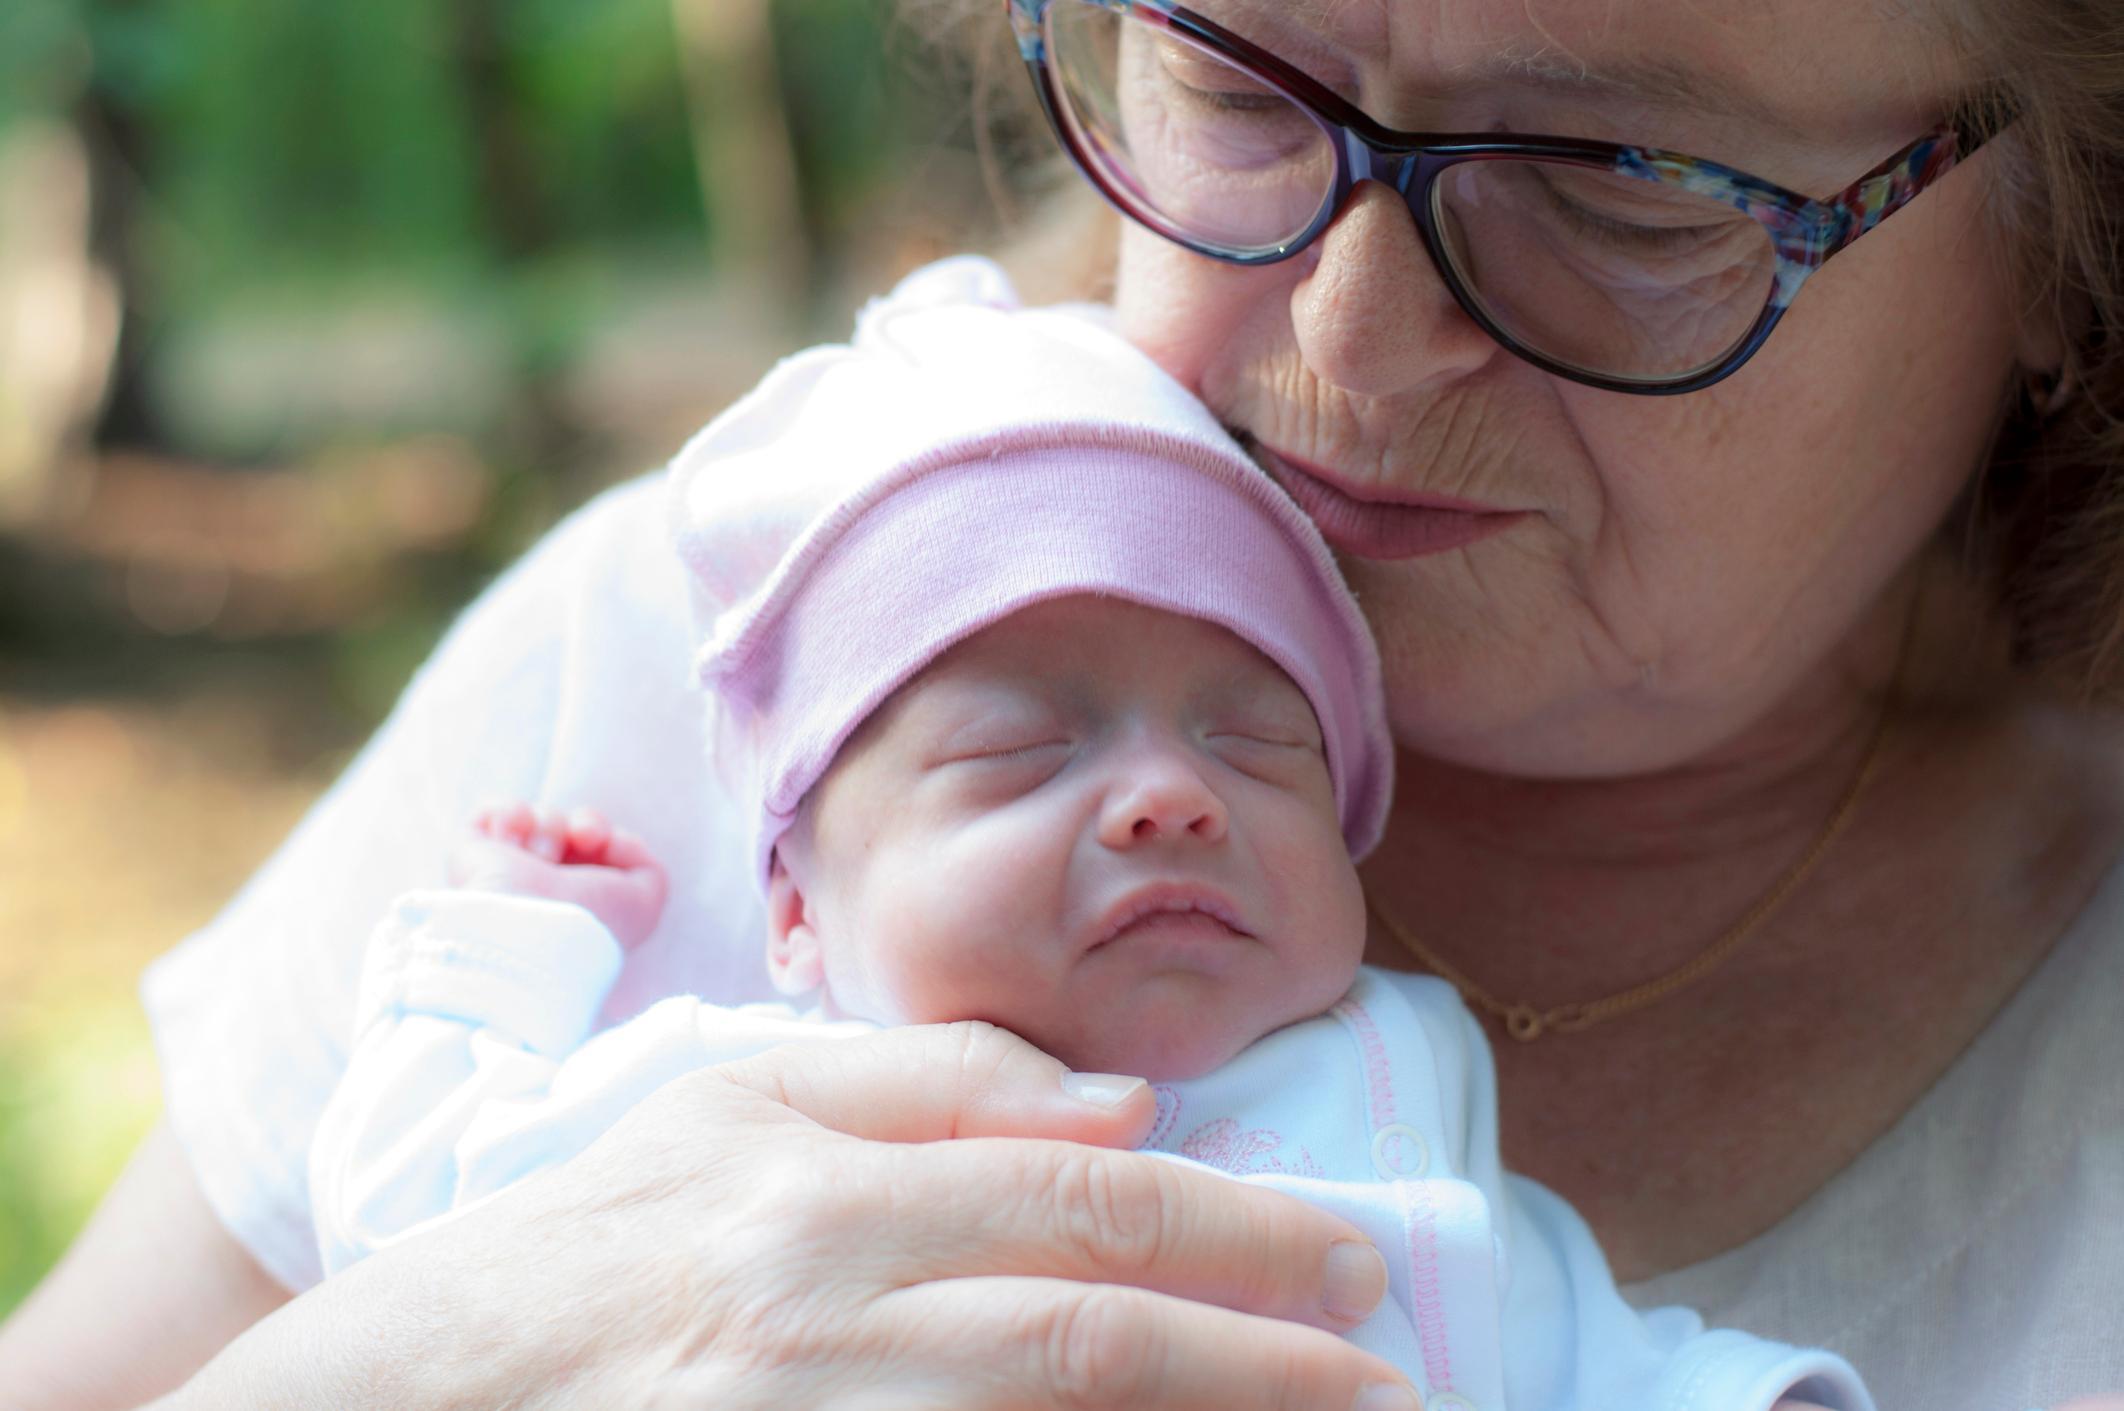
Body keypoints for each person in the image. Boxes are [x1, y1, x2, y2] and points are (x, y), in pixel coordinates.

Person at [3, 0, 2121, 1405]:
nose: (1357, 337)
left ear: (2067, 236)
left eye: (1615, 183)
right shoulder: (702, 662)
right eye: (1237, 81)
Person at [303, 291, 1870, 1411]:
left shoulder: (1400, 1073)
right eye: (1017, 753)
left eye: (1258, 745)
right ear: (793, 910)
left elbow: (1571, 1344)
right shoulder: (764, 1118)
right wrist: (510, 937)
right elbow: (424, 1207)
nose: (1166, 800)